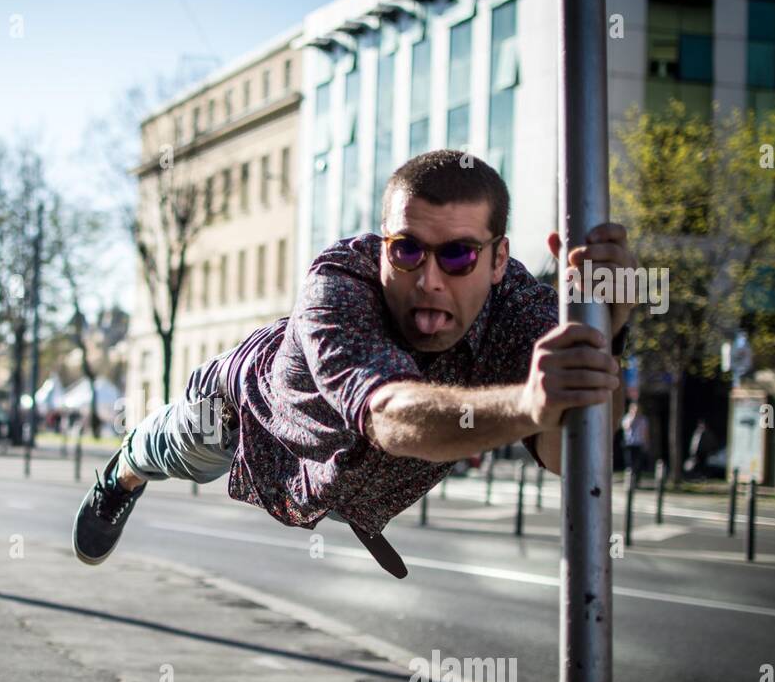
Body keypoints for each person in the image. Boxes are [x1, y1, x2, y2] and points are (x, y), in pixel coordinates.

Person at [71, 150, 636, 577]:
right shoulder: (338, 282)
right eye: (407, 250)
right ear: (383, 243)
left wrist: (603, 335)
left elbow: (579, 453)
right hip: (249, 417)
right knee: (171, 446)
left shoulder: (522, 311)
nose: (430, 281)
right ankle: (120, 474)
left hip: (349, 483)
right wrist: (527, 403)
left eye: (459, 255)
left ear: (498, 260)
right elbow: (391, 416)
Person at [621, 402, 649, 483]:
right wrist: (633, 417)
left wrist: (646, 443)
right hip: (629, 444)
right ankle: (629, 480)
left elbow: (645, 432)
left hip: (639, 443)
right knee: (629, 463)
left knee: (638, 463)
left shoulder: (643, 419)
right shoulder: (627, 418)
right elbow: (627, 427)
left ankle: (637, 480)